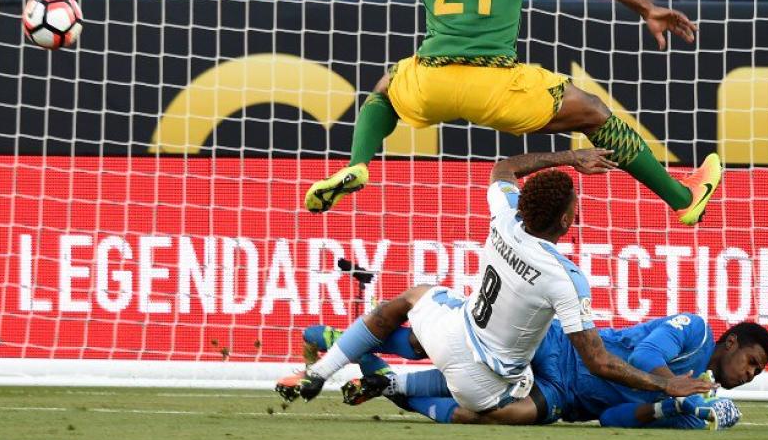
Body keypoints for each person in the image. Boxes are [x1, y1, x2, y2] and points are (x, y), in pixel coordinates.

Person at [222, 0, 720, 227]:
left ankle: (359, 162)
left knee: (384, 86)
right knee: (593, 112)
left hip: (430, 83)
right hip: (495, 86)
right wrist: (644, 6)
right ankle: (682, 198)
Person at [275, 149, 715, 414]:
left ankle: (321, 371)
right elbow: (598, 361)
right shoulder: (566, 278)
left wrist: (570, 159)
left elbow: (505, 166)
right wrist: (665, 384)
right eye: (577, 205)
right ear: (567, 220)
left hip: (451, 333)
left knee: (414, 295)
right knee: (527, 407)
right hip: (488, 382)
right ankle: (396, 385)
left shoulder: (508, 218)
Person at [309, 314, 768, 431]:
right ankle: (350, 338)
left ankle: (386, 380)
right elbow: (647, 352)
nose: (750, 373)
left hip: (563, 397)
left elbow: (610, 421)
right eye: (751, 361)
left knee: (486, 414)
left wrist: (669, 406)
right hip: (560, 346)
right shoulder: (695, 331)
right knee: (439, 342)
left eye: (757, 373)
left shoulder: (692, 405)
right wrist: (672, 386)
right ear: (730, 342)